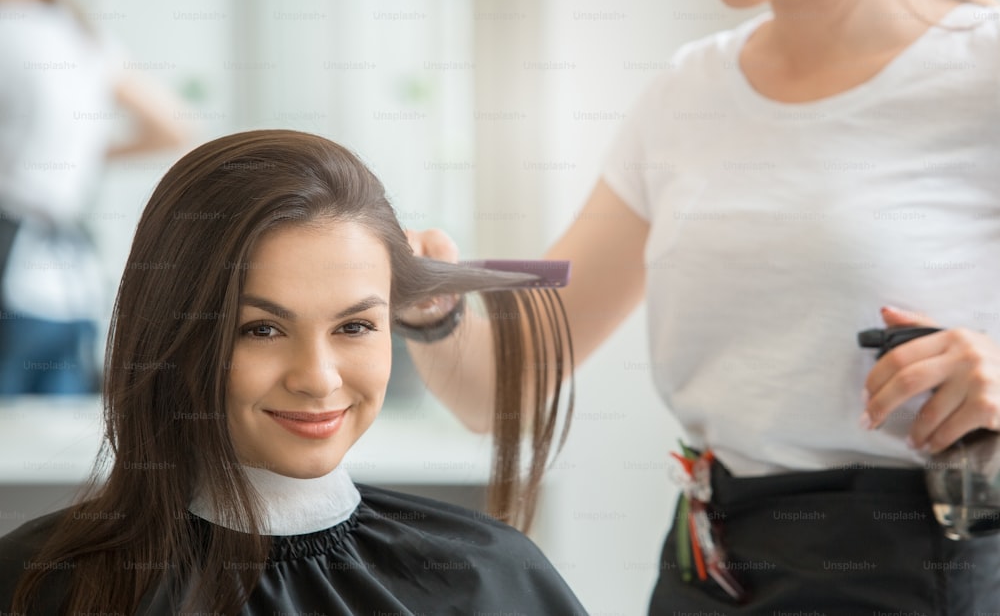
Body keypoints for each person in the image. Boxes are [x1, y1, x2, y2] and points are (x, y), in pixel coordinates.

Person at [400, 0, 1000, 612]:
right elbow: (500, 390)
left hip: (915, 558)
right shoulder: (687, 93)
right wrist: (432, 309)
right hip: (708, 557)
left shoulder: (982, 69)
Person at [0, 130, 584, 614]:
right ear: (173, 336)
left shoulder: (488, 577)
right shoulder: (37, 586)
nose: (318, 379)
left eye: (354, 327)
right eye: (262, 329)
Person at [0, 0, 188, 394]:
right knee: (53, 445)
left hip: (14, 269)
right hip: (64, 284)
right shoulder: (77, 34)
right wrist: (72, 159)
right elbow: (173, 126)